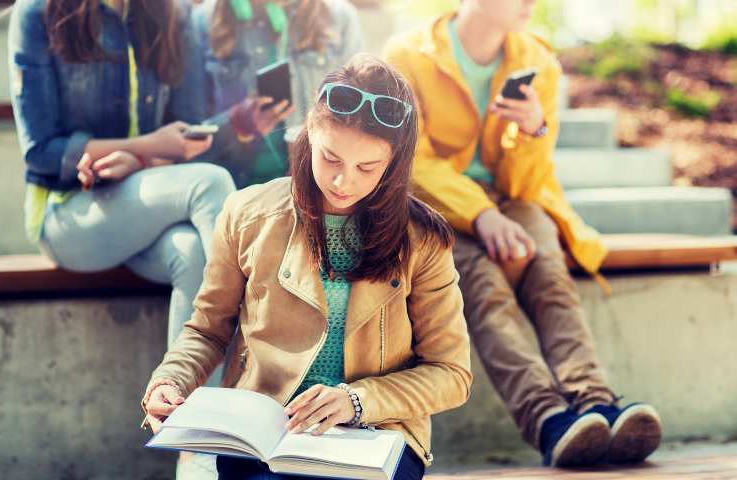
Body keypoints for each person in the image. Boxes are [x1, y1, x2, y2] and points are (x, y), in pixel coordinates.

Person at [141, 53, 473, 480]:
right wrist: (169, 382)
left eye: (367, 167)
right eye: (331, 158)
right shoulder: (246, 214)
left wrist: (357, 400)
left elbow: (452, 373)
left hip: (376, 435)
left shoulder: (423, 240)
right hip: (259, 437)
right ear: (311, 133)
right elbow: (207, 330)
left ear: (393, 162)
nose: (343, 181)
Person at [383, 0, 662, 468]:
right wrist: (481, 214)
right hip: (434, 209)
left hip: (513, 200)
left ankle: (596, 402)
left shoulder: (538, 62)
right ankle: (548, 419)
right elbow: (410, 161)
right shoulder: (408, 53)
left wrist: (533, 130)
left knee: (550, 274)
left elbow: (526, 186)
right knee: (484, 287)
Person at [8, 0, 236, 383]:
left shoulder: (174, 15)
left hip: (145, 205)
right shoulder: (38, 12)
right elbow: (40, 152)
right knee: (210, 182)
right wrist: (145, 148)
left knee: (192, 251)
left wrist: (141, 161)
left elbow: (188, 139)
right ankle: (263, 330)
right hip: (69, 211)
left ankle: (196, 437)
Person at [193, 0, 364, 188]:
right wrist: (235, 124)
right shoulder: (201, 21)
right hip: (235, 188)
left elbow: (357, 121)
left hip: (315, 189)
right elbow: (186, 141)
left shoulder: (340, 16)